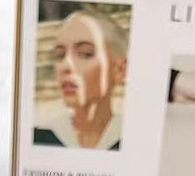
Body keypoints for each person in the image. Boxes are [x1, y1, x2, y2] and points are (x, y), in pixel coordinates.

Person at [34, 10, 128, 150]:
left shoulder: (135, 140)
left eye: (85, 54)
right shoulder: (39, 137)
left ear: (119, 69)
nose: (65, 66)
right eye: (60, 55)